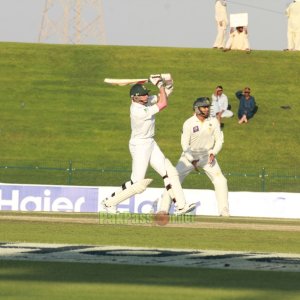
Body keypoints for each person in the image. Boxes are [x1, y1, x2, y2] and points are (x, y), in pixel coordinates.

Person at [102, 74, 196, 215]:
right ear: (135, 97)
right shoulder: (137, 110)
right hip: (139, 145)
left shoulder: (144, 102)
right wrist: (158, 84)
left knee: (170, 172)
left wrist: (168, 83)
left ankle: (181, 206)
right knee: (138, 184)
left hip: (150, 142)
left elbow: (165, 95)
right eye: (144, 95)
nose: (147, 97)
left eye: (147, 95)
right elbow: (163, 103)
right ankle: (109, 203)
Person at [157, 97, 230, 217]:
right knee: (173, 180)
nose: (207, 109)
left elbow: (219, 140)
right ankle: (163, 209)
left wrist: (213, 153)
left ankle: (224, 210)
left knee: (221, 181)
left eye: (208, 107)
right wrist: (192, 159)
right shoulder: (188, 123)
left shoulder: (214, 121)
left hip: (207, 156)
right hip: (189, 157)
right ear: (197, 109)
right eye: (204, 107)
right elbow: (184, 145)